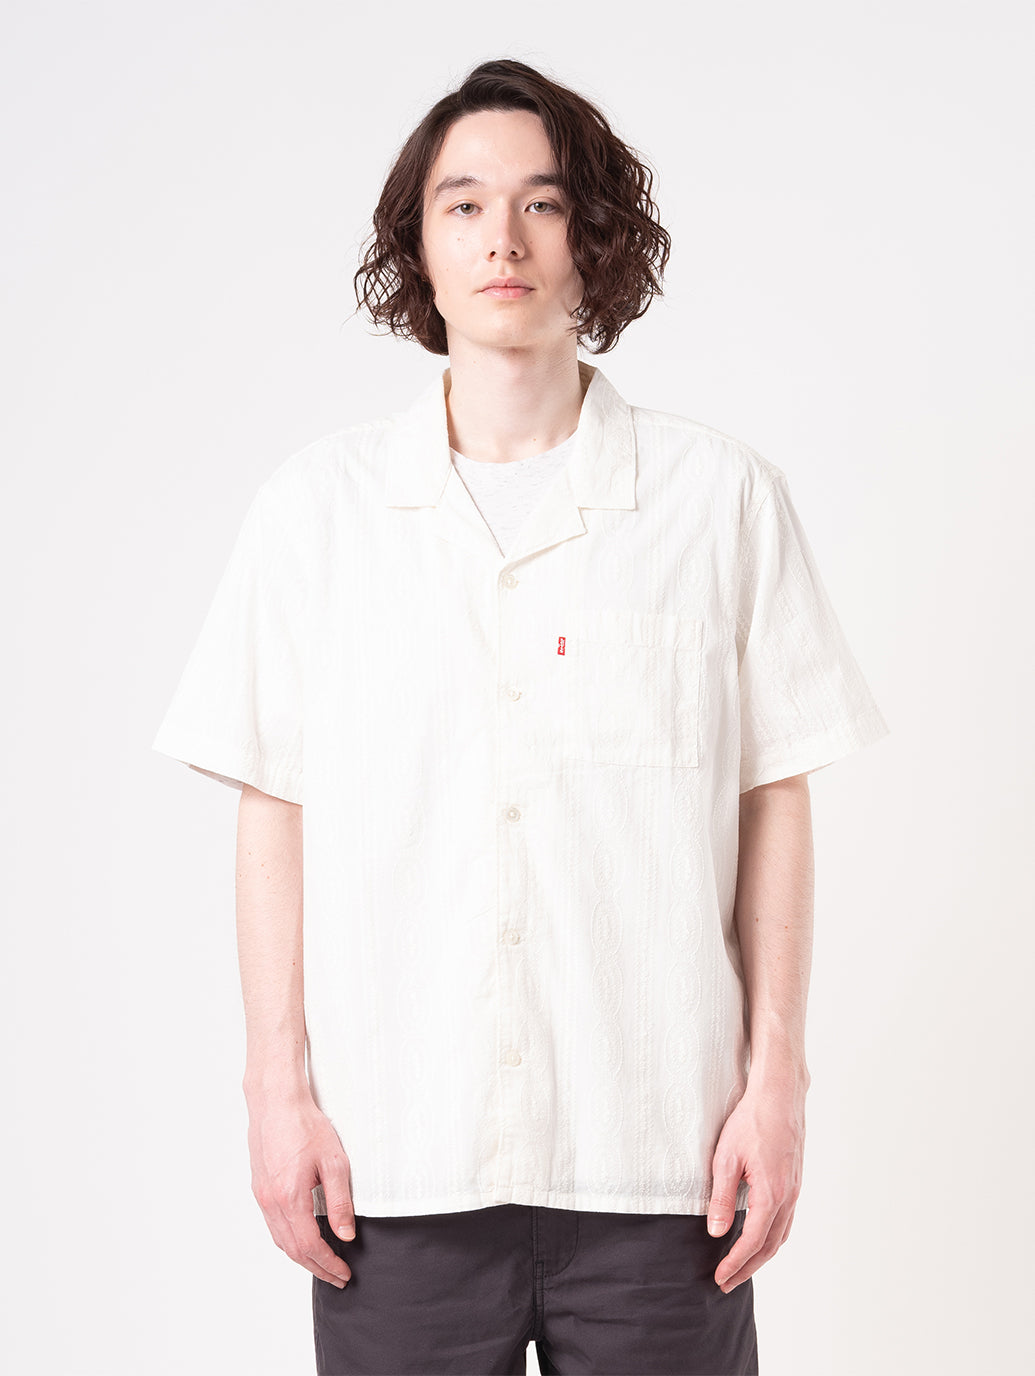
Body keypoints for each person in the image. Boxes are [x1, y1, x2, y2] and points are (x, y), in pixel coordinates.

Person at [153, 57, 889, 1376]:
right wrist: (275, 1091)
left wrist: (778, 1078)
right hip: (397, 1170)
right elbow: (276, 804)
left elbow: (774, 792)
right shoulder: (315, 517)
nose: (504, 238)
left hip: (664, 1171)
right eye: (464, 205)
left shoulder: (719, 503)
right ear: (418, 246)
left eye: (544, 204)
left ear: (593, 240)